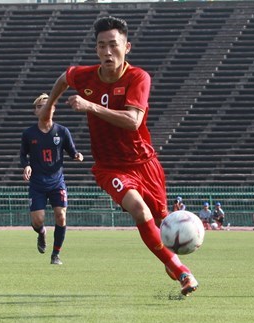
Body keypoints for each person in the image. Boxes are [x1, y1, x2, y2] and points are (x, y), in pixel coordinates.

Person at [37, 16, 198, 296]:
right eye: (101, 46)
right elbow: (64, 78)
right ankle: (182, 271)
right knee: (139, 210)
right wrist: (49, 107)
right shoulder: (85, 75)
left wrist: (90, 106)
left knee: (162, 223)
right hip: (111, 167)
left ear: (127, 47)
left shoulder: (138, 77)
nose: (107, 52)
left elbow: (133, 121)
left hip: (145, 163)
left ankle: (168, 259)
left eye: (113, 45)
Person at [20, 93, 84, 265]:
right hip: (37, 183)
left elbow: (72, 151)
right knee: (37, 220)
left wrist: (77, 155)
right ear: (35, 111)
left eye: (48, 105)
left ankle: (55, 254)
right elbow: (22, 155)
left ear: (53, 109)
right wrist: (26, 165)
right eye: (40, 106)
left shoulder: (62, 132)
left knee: (61, 216)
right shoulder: (28, 134)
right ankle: (41, 233)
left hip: (57, 182)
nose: (44, 108)